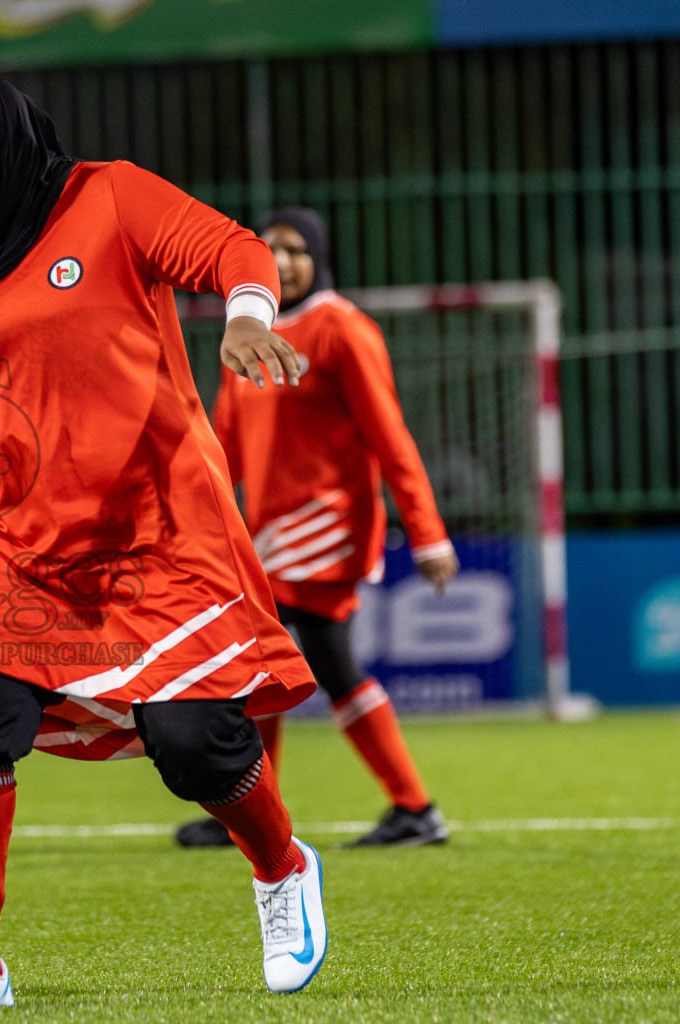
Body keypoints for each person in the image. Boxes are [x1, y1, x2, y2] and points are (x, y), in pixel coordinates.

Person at [0, 74, 328, 1010]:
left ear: (6, 144)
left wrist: (249, 316)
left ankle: (280, 864)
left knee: (194, 745)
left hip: (157, 530)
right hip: (19, 544)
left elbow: (235, 250)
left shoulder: (108, 198)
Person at [175, 206, 459, 851]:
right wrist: (186, 514)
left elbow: (391, 438)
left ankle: (412, 807)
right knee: (266, 666)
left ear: (320, 255)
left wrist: (428, 532)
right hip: (268, 532)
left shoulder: (341, 328)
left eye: (297, 249)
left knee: (304, 662)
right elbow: (227, 447)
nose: (284, 262)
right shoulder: (245, 333)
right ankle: (257, 809)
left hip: (329, 529)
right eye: (270, 250)